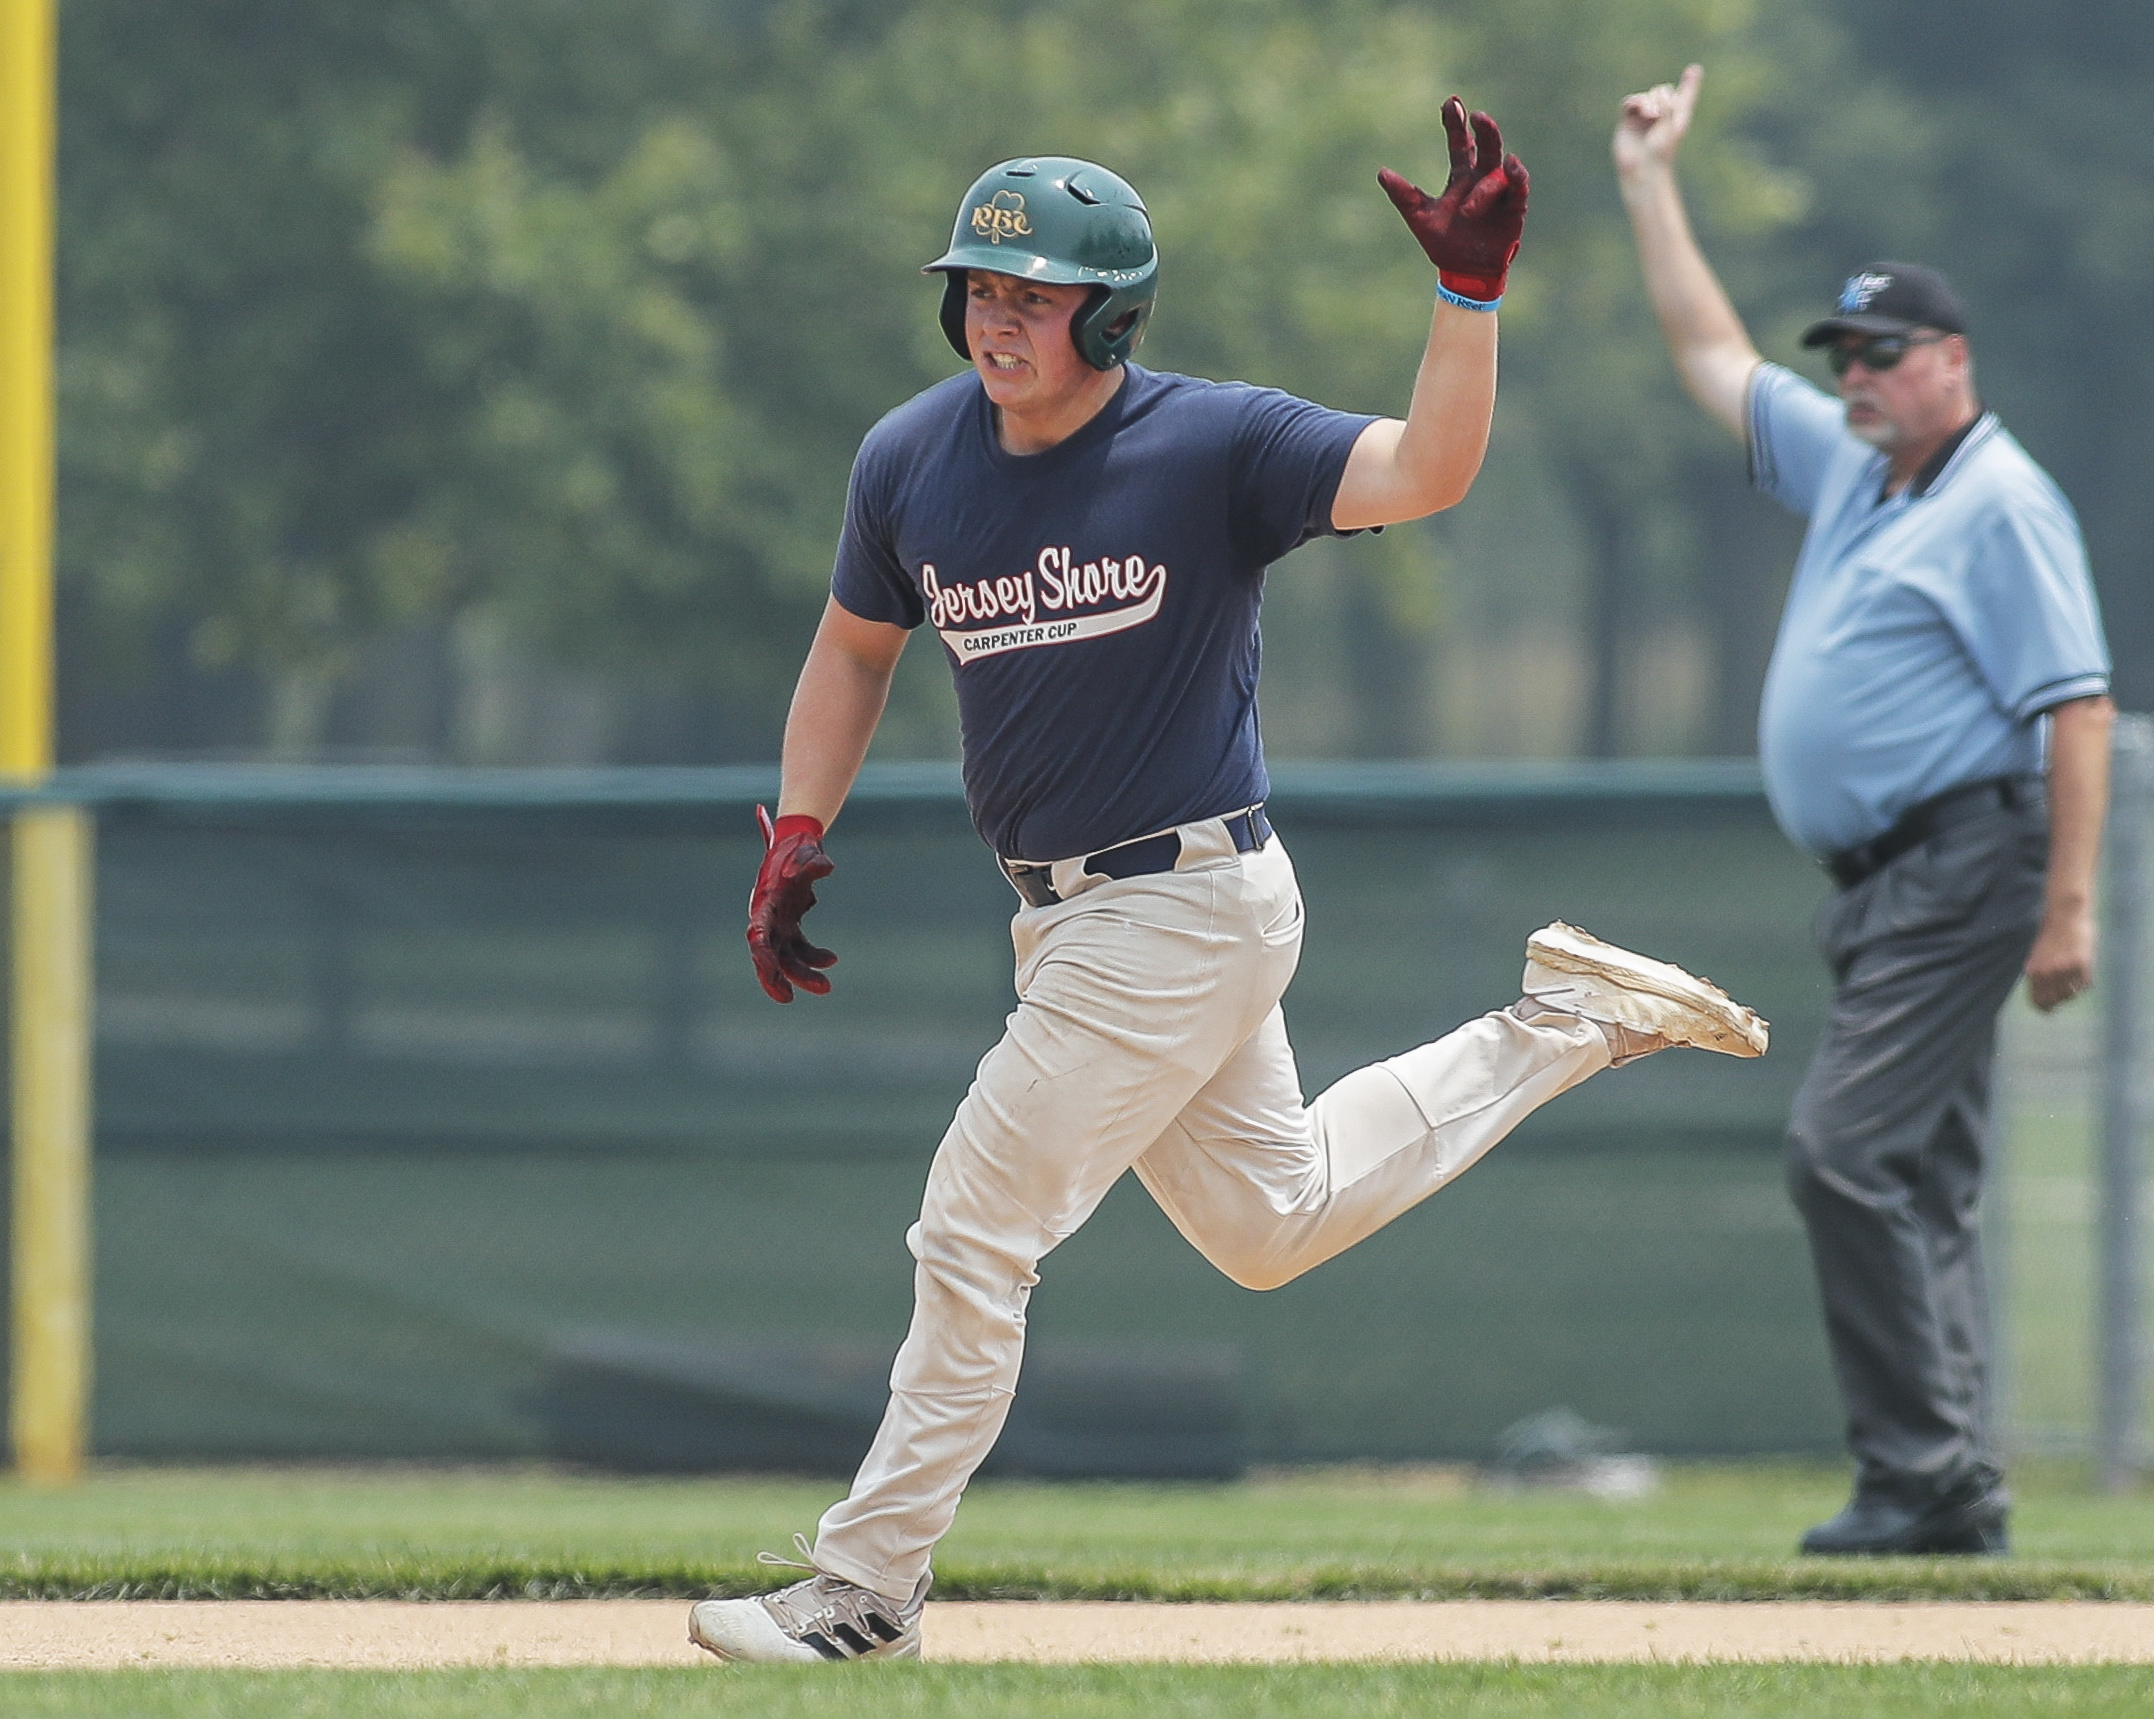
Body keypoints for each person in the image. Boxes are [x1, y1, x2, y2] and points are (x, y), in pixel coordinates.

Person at [693, 103, 1768, 1665]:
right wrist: (795, 829)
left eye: (1034, 293)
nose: (997, 316)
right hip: (1072, 914)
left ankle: (866, 1589)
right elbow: (853, 651)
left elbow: (1427, 470)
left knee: (973, 1230)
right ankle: (1565, 1020)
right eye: (979, 289)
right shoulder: (911, 456)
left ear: (1109, 313)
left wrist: (1465, 300)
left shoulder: (1209, 443)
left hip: (1177, 902)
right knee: (1275, 1221)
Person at [1610, 66, 2114, 1556]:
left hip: (1971, 855)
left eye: (1882, 353)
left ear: (1950, 360)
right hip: (1889, 873)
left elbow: (2074, 707)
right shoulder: (1858, 469)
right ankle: (1954, 1480)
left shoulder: (1997, 501)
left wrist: (2069, 904)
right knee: (1920, 1174)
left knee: (1840, 1153)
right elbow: (1708, 350)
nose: (1854, 375)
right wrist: (1649, 178)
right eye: (1843, 354)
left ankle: (1921, 1473)